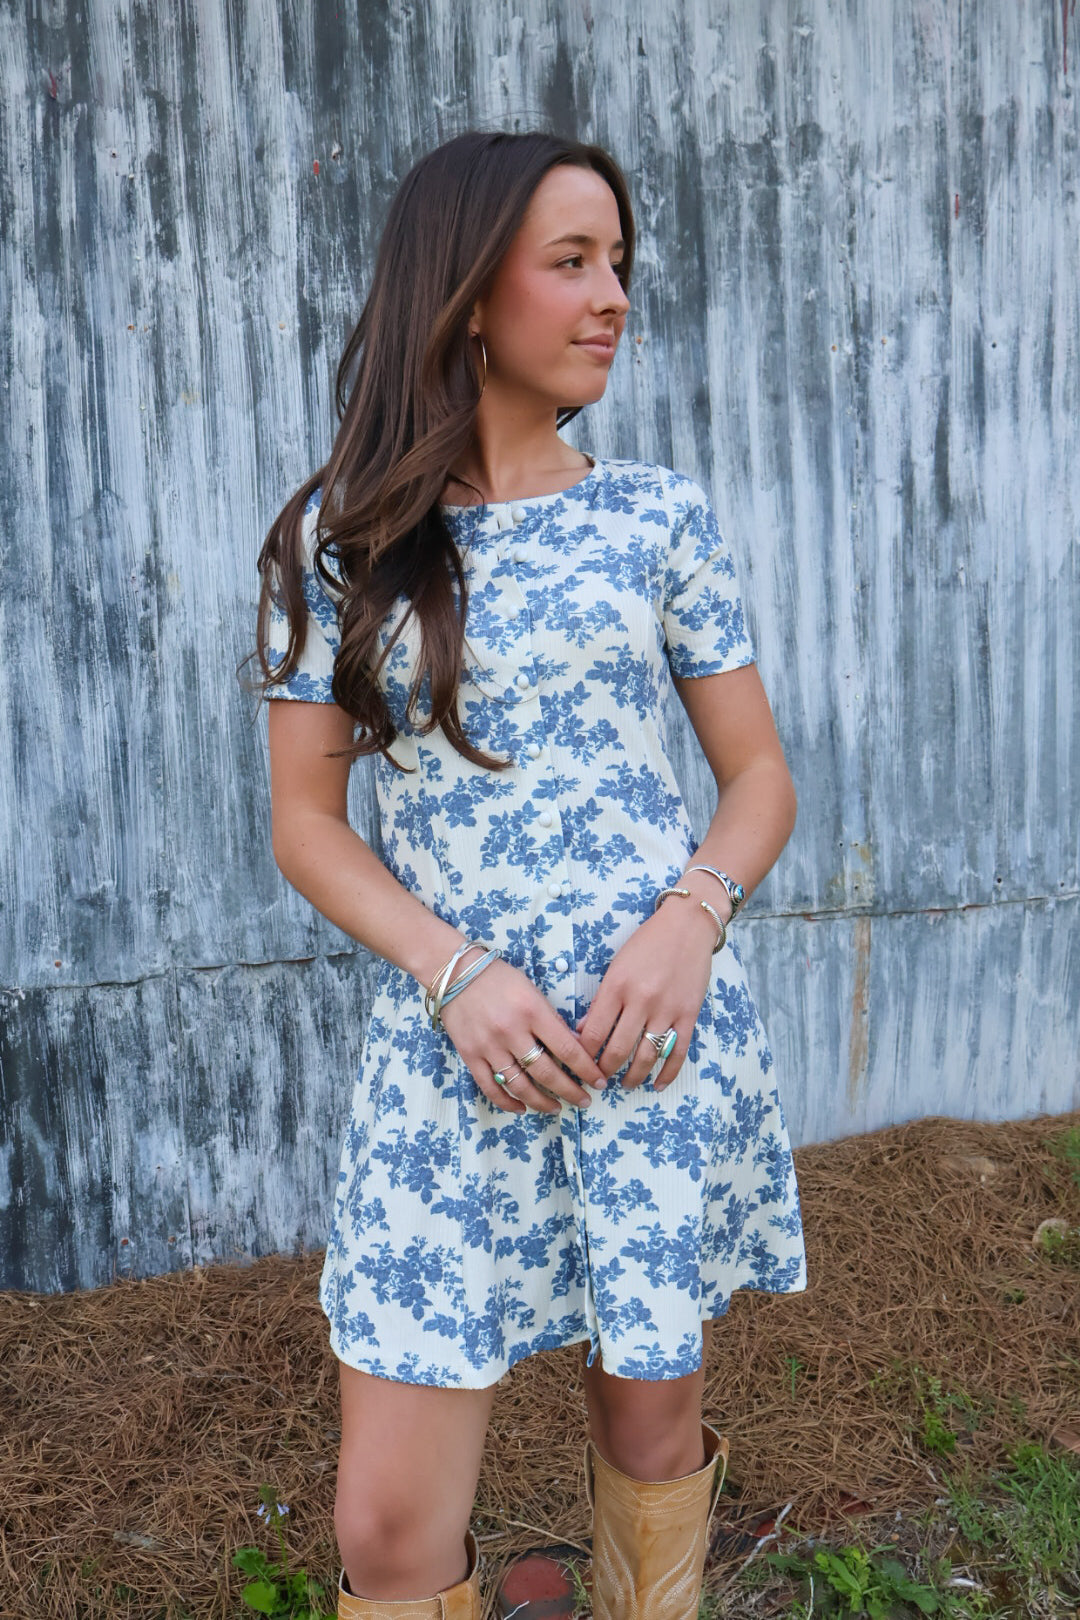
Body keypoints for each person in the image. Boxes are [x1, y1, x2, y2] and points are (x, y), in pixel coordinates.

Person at [253, 128, 807, 1620]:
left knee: (649, 1424)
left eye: (619, 262)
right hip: (456, 1056)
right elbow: (307, 825)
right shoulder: (344, 537)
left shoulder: (655, 517)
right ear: (465, 294)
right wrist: (456, 976)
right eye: (571, 262)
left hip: (649, 1034)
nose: (612, 295)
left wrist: (693, 923)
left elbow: (759, 779)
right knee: (384, 1523)